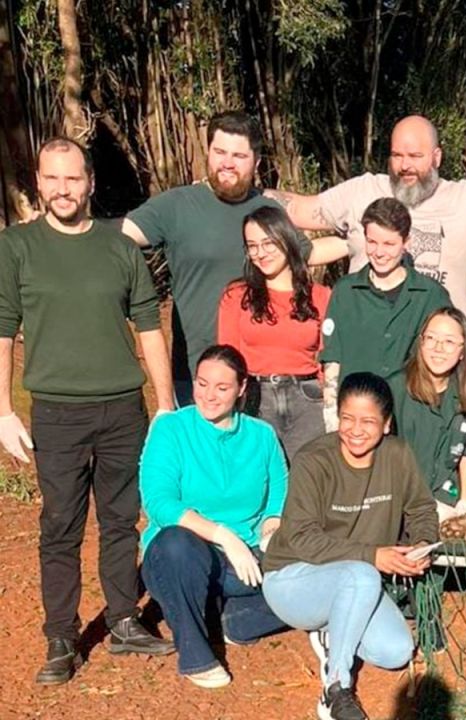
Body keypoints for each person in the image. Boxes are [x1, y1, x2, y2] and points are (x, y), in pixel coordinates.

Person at [0, 137, 176, 685]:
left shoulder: (119, 246)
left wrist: (166, 404)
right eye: (52, 178)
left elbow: (148, 325)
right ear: (38, 183)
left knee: (121, 519)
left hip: (123, 409)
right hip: (57, 413)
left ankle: (123, 619)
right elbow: (2, 328)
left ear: (90, 183)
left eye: (72, 178)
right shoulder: (17, 246)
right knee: (60, 525)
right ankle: (61, 636)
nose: (63, 189)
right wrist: (3, 410)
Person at [265, 115, 466, 314]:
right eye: (397, 155)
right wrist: (249, 195)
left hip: (440, 351)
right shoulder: (361, 192)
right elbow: (301, 210)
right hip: (368, 343)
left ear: (436, 157)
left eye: (415, 156)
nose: (405, 166)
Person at [123, 111, 342, 403]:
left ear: (256, 162)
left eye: (239, 155)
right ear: (208, 152)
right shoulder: (176, 205)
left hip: (260, 376)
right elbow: (119, 237)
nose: (227, 162)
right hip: (197, 372)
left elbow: (308, 252)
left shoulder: (266, 209)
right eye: (220, 152)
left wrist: (368, 241)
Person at [263, 372, 438, 720]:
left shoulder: (398, 455)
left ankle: (332, 630)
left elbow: (421, 509)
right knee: (362, 574)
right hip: (292, 579)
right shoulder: (314, 460)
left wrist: (421, 544)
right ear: (337, 416)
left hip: (355, 578)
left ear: (386, 424)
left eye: (368, 421)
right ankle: (336, 689)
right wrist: (373, 556)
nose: (356, 430)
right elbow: (301, 538)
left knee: (395, 651)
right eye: (348, 418)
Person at [139, 345, 290, 688]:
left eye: (222, 388)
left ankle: (235, 622)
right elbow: (159, 502)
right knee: (176, 544)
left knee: (306, 581)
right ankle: (195, 655)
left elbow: (277, 499)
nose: (209, 396)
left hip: (246, 561)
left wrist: (271, 533)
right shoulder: (171, 429)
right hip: (185, 558)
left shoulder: (261, 435)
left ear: (242, 388)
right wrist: (223, 536)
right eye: (202, 383)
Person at [320, 198, 451, 431]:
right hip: (356, 423)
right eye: (372, 242)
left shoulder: (431, 295)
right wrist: (332, 416)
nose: (379, 252)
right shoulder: (345, 291)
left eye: (389, 244)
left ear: (406, 243)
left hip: (411, 419)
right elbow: (332, 358)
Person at [218, 205, 331, 458]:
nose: (261, 253)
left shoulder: (321, 296)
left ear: (287, 239)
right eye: (252, 246)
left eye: (268, 243)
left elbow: (329, 360)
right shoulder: (236, 296)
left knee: (306, 476)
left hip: (308, 402)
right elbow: (227, 360)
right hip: (255, 400)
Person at [395, 307, 466, 521]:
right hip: (401, 499)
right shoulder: (396, 389)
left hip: (447, 497)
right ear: (421, 342)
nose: (438, 348)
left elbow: (465, 453)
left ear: (463, 351)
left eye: (449, 341)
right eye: (431, 338)